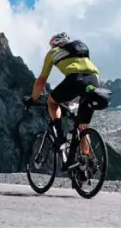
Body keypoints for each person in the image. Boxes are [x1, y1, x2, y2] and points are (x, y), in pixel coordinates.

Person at [23, 32, 101, 171]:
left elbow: (41, 80)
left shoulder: (54, 52)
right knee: (82, 126)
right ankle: (87, 159)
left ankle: (60, 137)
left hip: (75, 79)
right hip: (94, 80)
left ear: (54, 43)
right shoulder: (81, 49)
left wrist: (33, 99)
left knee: (52, 102)